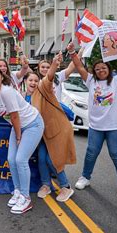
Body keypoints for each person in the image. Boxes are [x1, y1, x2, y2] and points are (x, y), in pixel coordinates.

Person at [67, 39, 117, 200]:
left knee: (116, 154)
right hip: (96, 126)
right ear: (94, 71)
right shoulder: (90, 81)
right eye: (97, 69)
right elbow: (79, 66)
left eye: (103, 68)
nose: (100, 70)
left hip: (115, 126)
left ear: (109, 69)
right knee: (91, 153)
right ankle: (85, 177)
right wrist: (72, 52)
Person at [0, 66, 43, 214]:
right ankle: (18, 190)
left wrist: (19, 137)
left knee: (20, 160)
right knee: (11, 159)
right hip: (18, 126)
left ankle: (26, 198)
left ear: (2, 76)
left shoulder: (7, 92)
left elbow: (14, 116)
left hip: (32, 124)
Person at [30, 53, 77, 202]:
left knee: (53, 159)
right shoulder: (30, 92)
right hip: (43, 130)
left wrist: (56, 63)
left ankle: (66, 186)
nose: (33, 83)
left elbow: (50, 77)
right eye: (30, 81)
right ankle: (46, 185)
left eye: (47, 67)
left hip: (57, 126)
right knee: (42, 159)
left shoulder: (46, 84)